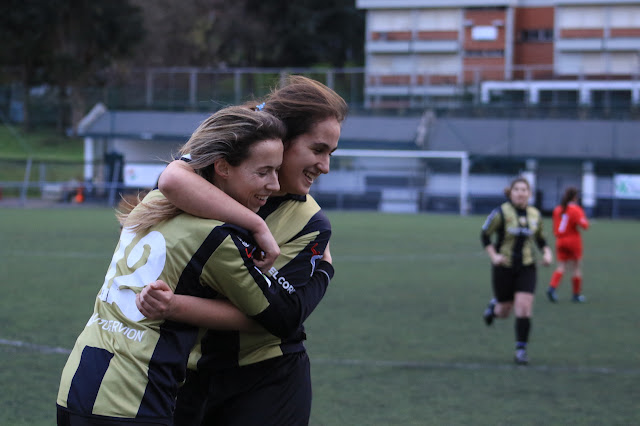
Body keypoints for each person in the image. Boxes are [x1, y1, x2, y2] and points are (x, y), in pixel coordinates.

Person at [56, 106, 297, 425]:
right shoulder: (216, 237)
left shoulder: (153, 202)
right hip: (133, 398)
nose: (275, 184)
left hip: (76, 384)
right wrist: (324, 265)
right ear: (223, 167)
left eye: (277, 171)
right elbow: (276, 318)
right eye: (263, 171)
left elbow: (176, 175)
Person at [136, 75, 348, 425]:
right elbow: (172, 178)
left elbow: (278, 318)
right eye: (318, 149)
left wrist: (175, 307)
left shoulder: (309, 222)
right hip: (186, 374)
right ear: (281, 139)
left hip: (266, 381)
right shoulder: (210, 178)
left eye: (331, 153)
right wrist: (255, 225)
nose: (325, 166)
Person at [480, 177, 553, 365]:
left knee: (524, 306)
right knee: (504, 311)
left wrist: (547, 253)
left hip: (527, 267)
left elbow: (540, 238)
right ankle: (493, 308)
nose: (520, 193)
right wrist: (494, 256)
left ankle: (521, 350)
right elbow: (485, 235)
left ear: (529, 193)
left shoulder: (535, 215)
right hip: (504, 267)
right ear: (510, 193)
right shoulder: (501, 213)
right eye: (517, 189)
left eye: (524, 190)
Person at [546, 186, 590, 303]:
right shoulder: (576, 209)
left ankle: (552, 288)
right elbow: (584, 225)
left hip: (560, 240)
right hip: (573, 241)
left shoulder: (558, 209)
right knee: (576, 267)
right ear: (575, 197)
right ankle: (576, 295)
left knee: (561, 266)